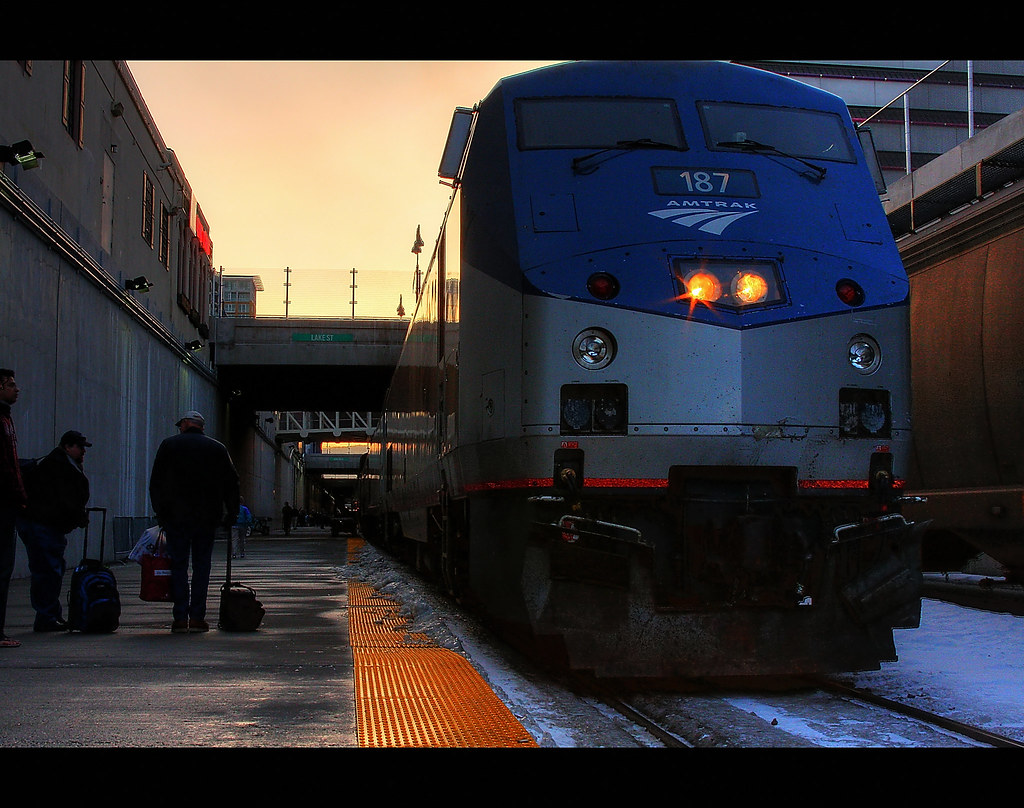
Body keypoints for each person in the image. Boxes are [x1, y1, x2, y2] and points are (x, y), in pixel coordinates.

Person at [149, 410, 239, 634]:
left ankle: (180, 617)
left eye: (181, 424)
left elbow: (156, 482)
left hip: (176, 517)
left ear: (188, 424)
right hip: (206, 517)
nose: (179, 427)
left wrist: (161, 513)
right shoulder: (217, 448)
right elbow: (231, 482)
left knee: (178, 565)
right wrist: (232, 513)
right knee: (201, 566)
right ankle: (197, 617)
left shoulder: (169, 446)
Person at [16, 430, 91, 631]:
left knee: (49, 570)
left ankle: (48, 615)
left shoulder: (60, 463)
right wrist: (78, 516)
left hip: (43, 525)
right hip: (44, 525)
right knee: (48, 571)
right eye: (79, 447)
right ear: (67, 446)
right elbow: (63, 500)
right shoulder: (58, 466)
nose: (83, 451)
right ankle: (46, 616)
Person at [0, 369, 26, 648]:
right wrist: (19, 495)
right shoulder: (2, 420)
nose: (16, 389)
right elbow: (6, 466)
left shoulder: (6, 417)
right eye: (10, 385)